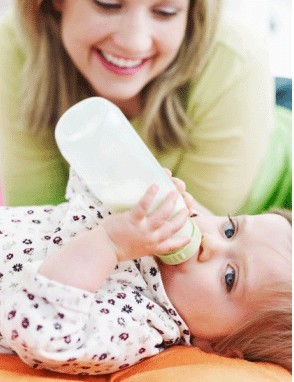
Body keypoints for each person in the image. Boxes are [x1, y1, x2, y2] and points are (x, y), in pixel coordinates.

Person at [0, 0, 291, 214]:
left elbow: (190, 251)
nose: (134, 42)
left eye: (165, 12)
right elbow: (37, 221)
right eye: (108, 4)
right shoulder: (13, 44)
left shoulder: (238, 60)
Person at [0, 170, 291, 375]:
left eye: (230, 277)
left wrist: (110, 243)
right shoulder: (150, 232)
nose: (210, 242)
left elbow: (42, 330)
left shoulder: (143, 324)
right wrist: (142, 183)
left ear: (219, 346)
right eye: (230, 229)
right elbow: (86, 180)